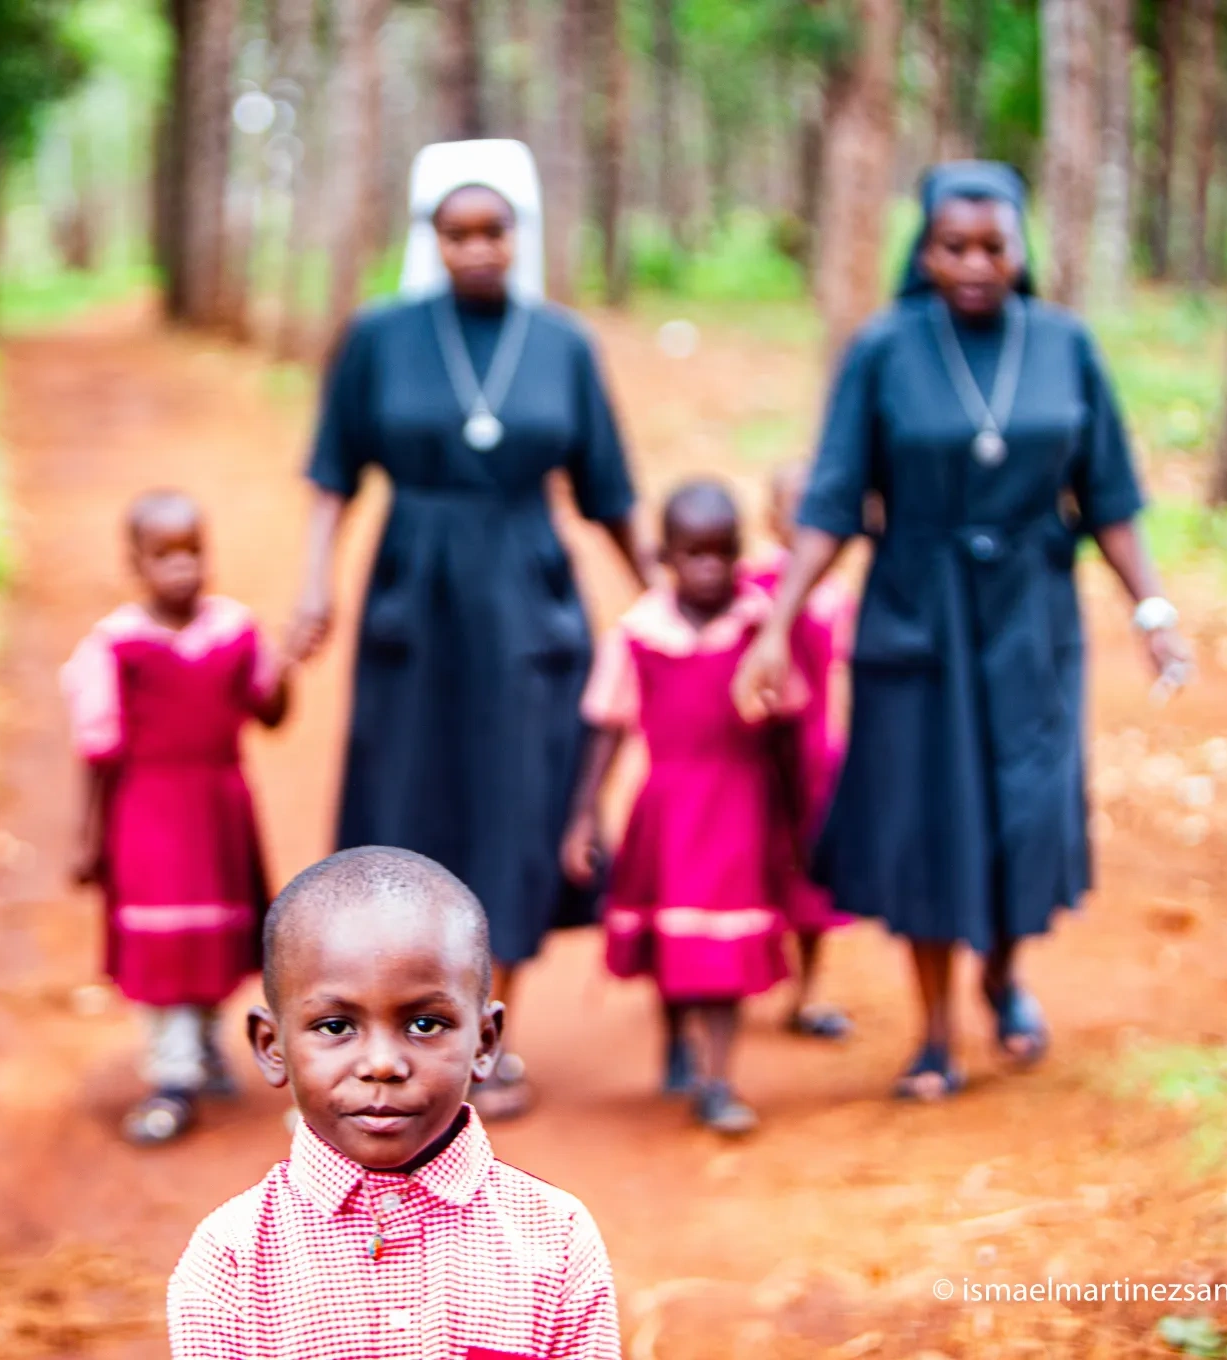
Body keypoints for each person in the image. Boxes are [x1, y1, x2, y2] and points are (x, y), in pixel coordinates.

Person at [734, 162, 1193, 1101]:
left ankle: (1003, 975)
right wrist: (777, 626)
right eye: (954, 247)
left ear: (1021, 248)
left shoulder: (1064, 344)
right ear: (926, 251)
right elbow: (832, 498)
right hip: (916, 612)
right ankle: (936, 1031)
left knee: (1026, 811)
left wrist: (1152, 610)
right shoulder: (884, 348)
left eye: (993, 246)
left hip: (1032, 614)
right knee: (927, 818)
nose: (975, 264)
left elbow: (1108, 497)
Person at [287, 140, 650, 1122]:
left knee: (516, 806)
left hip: (528, 607)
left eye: (494, 231)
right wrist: (314, 586)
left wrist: (658, 592)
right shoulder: (379, 337)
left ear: (519, 235)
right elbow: (332, 474)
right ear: (432, 239)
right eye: (458, 233)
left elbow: (609, 490)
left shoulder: (562, 344)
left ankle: (489, 1038)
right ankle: (403, 1030)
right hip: (413, 602)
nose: (478, 248)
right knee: (407, 802)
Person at [167, 846, 620, 1360]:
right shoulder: (231, 1260)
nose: (382, 1064)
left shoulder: (554, 1239)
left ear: (486, 1042)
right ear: (273, 1047)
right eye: (335, 1026)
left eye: (425, 1024)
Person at [561, 481, 803, 1136]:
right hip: (667, 810)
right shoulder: (638, 634)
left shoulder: (761, 629)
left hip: (740, 808)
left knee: (721, 949)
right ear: (665, 557)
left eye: (724, 553)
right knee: (672, 939)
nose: (710, 569)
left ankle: (717, 1080)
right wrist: (584, 816)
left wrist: (795, 816)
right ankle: (676, 1040)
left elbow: (787, 725)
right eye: (695, 554)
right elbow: (607, 727)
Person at [61, 490, 293, 1146]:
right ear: (134, 563)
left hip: (218, 810)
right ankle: (172, 1074)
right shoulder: (116, 645)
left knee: (215, 934)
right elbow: (98, 750)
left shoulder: (236, 631)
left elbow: (270, 713)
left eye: (193, 551)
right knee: (162, 942)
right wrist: (88, 837)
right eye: (163, 555)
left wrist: (283, 665)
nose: (182, 567)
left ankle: (205, 1044)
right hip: (148, 814)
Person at [745, 462, 855, 1042]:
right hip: (755, 757)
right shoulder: (750, 588)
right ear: (771, 518)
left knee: (812, 878)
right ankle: (731, 985)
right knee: (746, 866)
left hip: (813, 758)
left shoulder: (837, 598)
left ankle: (806, 993)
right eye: (793, 504)